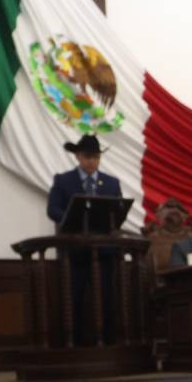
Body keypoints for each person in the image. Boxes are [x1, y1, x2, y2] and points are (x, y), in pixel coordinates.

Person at [47, 134, 123, 345]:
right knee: (74, 297)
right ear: (78, 156)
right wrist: (73, 218)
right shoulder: (63, 180)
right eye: (88, 157)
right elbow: (53, 210)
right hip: (74, 251)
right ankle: (76, 343)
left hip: (104, 251)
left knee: (107, 297)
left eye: (96, 157)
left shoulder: (111, 183)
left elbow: (118, 212)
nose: (92, 161)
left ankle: (109, 342)